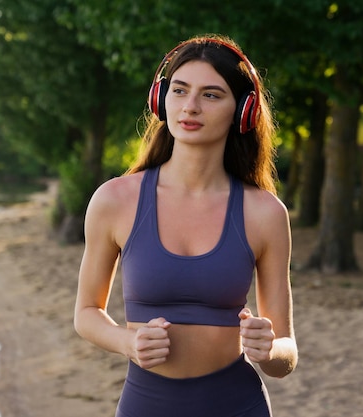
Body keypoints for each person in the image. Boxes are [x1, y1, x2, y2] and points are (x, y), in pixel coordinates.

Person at [74, 34, 297, 417]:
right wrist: (126, 342)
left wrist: (270, 348)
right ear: (160, 99)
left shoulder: (266, 214)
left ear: (242, 111)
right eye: (179, 90)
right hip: (146, 405)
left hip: (239, 406)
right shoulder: (114, 201)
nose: (190, 107)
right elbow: (86, 313)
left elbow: (286, 352)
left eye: (211, 95)